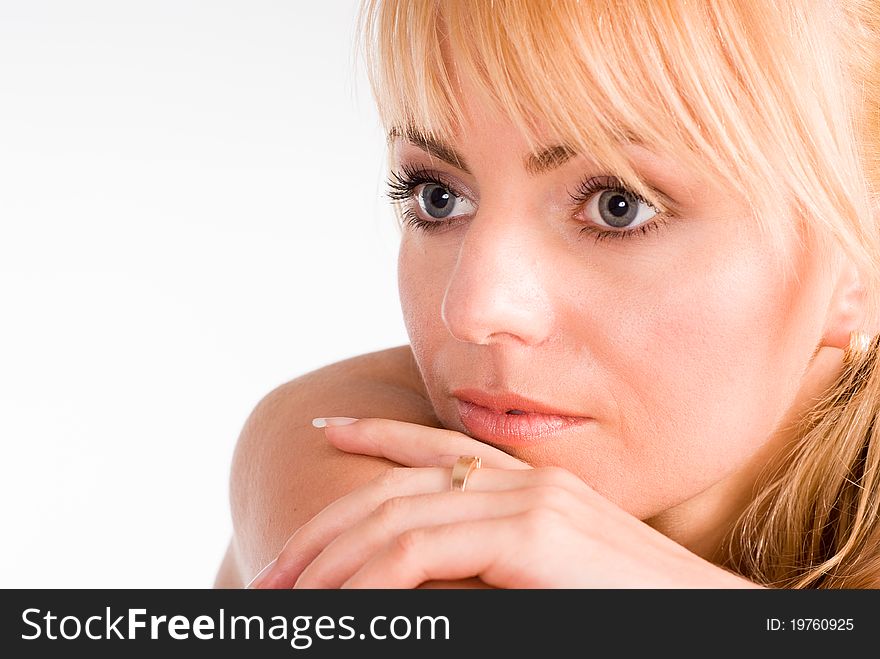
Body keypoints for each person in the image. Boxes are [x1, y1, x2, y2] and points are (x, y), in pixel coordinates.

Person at [214, 0, 880, 589]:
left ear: (859, 262)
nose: (474, 310)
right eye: (436, 196)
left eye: (618, 205)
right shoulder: (349, 446)